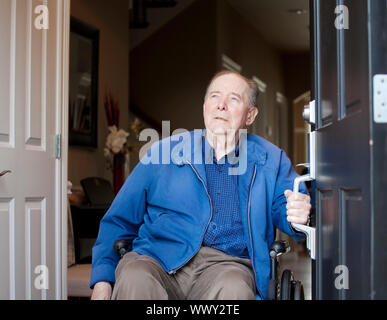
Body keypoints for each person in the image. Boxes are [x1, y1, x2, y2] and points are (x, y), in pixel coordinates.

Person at [90, 70, 311, 300]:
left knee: (234, 288)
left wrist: (296, 214)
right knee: (134, 275)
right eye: (214, 96)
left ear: (250, 115)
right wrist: (103, 280)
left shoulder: (270, 160)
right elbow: (118, 219)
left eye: (234, 99)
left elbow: (287, 205)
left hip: (226, 265)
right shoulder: (162, 153)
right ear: (205, 105)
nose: (221, 105)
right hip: (157, 258)